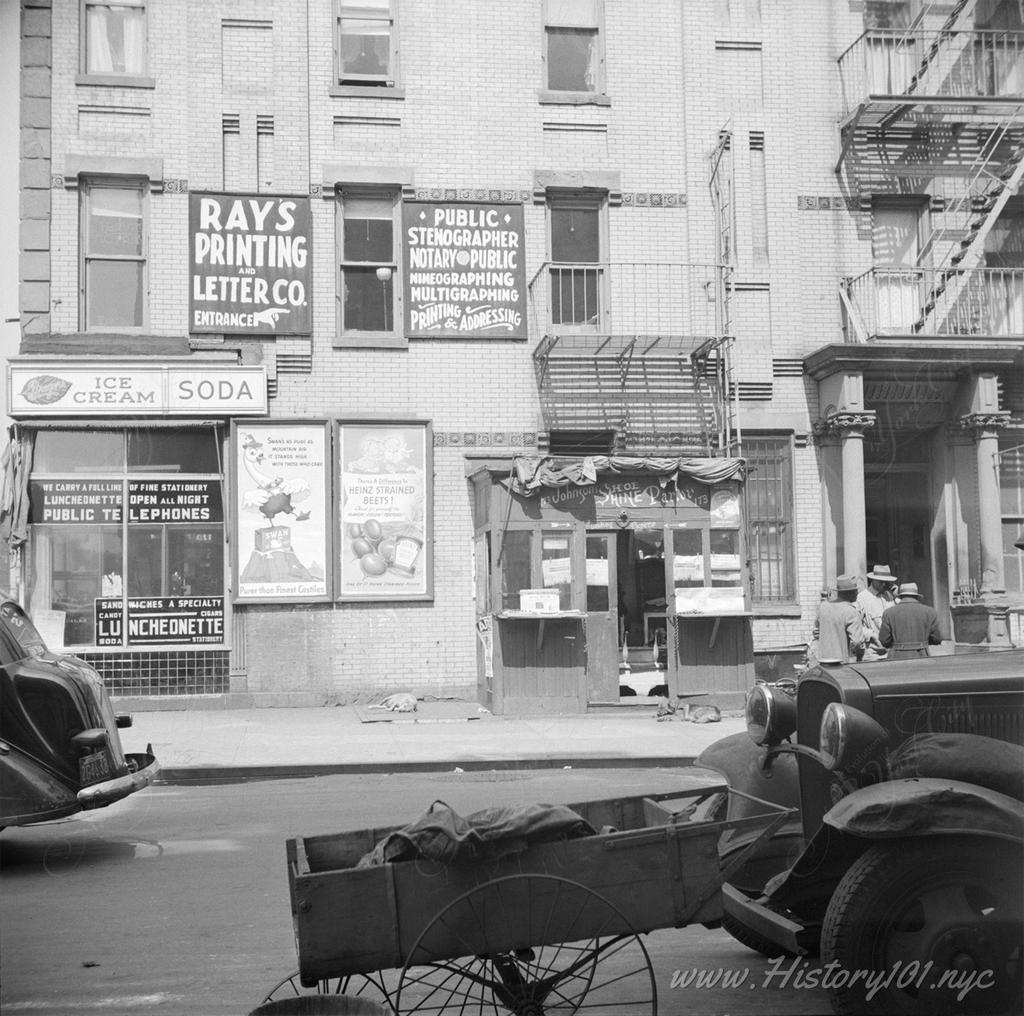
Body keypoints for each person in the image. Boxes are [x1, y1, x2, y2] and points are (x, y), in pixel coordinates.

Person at [810, 575, 866, 665]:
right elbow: (857, 642)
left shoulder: (823, 607)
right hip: (841, 663)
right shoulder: (851, 612)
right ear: (850, 593)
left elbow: (816, 633)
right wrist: (859, 655)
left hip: (822, 661)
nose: (857, 593)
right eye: (855, 591)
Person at [878, 582, 942, 660]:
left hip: (896, 658)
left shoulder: (888, 613)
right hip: (922, 656)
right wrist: (923, 641)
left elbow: (884, 640)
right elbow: (937, 639)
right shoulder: (930, 612)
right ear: (917, 596)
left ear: (900, 596)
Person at [856, 564, 898, 661]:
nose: (884, 584)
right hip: (872, 654)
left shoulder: (890, 596)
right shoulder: (862, 598)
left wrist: (897, 597)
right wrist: (872, 636)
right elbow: (857, 626)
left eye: (887, 582)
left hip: (890, 653)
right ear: (873, 580)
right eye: (881, 581)